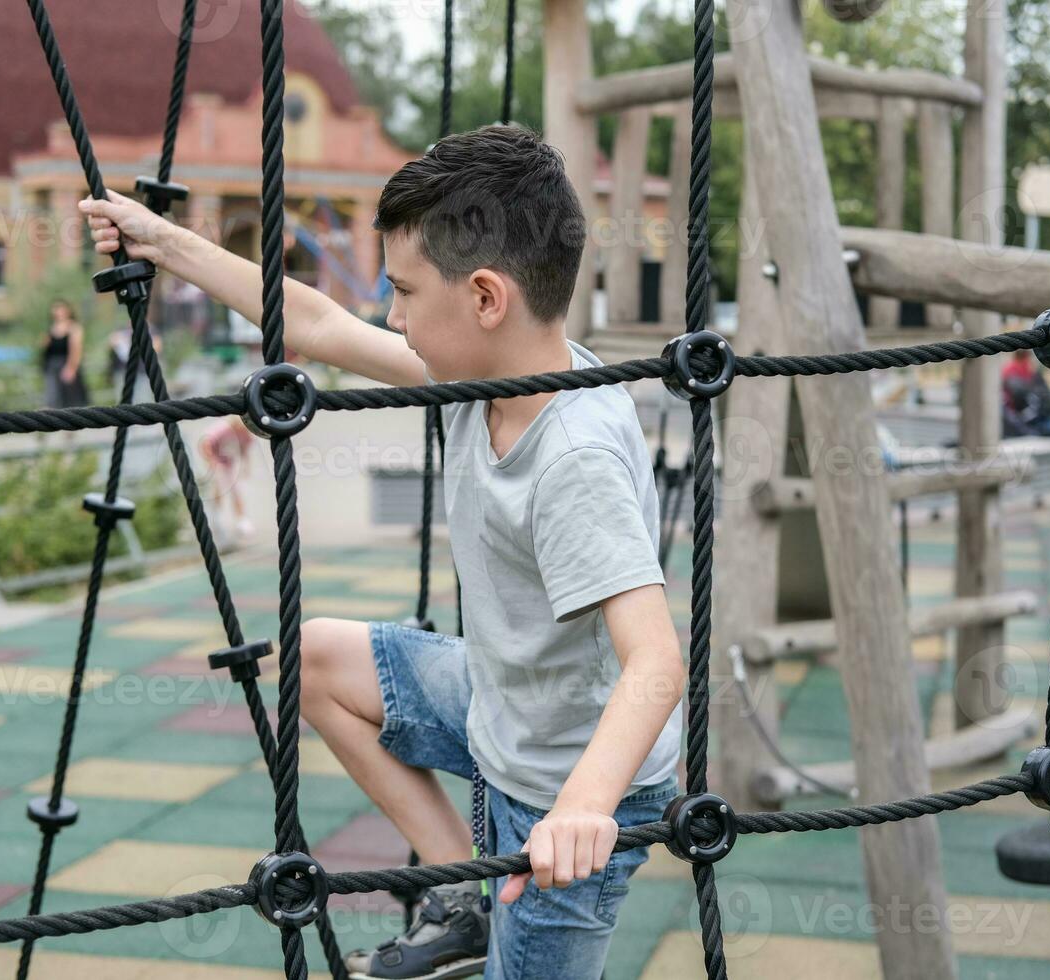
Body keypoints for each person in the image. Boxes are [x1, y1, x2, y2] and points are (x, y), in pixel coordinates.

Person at [82, 125, 685, 980]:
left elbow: (657, 661)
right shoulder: (498, 370)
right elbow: (321, 325)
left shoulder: (573, 456)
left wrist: (584, 809)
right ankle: (456, 896)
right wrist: (165, 241)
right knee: (316, 661)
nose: (393, 318)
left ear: (485, 298)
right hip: (503, 706)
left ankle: (508, 891)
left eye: (403, 293)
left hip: (576, 790)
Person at [198, 414, 255, 545]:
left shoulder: (246, 432)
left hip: (230, 461)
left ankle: (242, 521)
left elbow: (245, 447)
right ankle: (216, 520)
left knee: (237, 489)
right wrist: (212, 463)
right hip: (217, 461)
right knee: (219, 490)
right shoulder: (223, 429)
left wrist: (246, 465)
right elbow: (205, 443)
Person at [41, 299, 89, 408]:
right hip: (52, 366)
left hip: (66, 364)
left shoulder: (74, 327)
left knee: (71, 399)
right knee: (53, 398)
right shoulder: (52, 328)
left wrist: (71, 368)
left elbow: (76, 349)